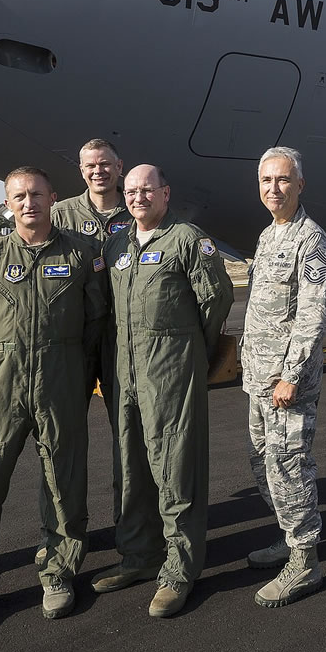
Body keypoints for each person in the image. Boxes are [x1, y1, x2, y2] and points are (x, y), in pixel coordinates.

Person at [0, 167, 107, 637]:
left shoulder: (81, 253)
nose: (28, 202)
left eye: (36, 194)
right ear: (7, 202)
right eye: (19, 196)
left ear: (53, 197)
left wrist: (72, 366)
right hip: (0, 384)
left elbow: (96, 319)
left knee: (63, 482)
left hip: (61, 380)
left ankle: (58, 573)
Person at [92, 164, 233, 618]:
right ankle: (140, 555)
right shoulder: (117, 244)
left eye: (146, 190)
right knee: (130, 466)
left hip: (171, 369)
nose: (137, 198)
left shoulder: (188, 239)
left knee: (175, 466)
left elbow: (216, 300)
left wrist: (191, 352)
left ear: (165, 194)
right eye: (130, 191)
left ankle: (179, 570)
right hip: (125, 373)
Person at [240, 147, 326, 608]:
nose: (272, 189)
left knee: (289, 464)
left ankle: (305, 561)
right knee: (262, 462)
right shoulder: (267, 235)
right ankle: (288, 536)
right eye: (265, 181)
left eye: (281, 180)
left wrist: (291, 374)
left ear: (300, 185)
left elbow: (313, 314)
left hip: (285, 383)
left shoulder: (309, 239)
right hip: (257, 378)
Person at [43, 137, 131, 567]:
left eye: (105, 164)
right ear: (80, 171)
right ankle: (64, 534)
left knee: (129, 438)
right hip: (73, 340)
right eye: (90, 165)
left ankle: (131, 528)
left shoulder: (136, 209)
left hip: (123, 339)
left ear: (119, 166)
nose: (98, 171)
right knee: (63, 440)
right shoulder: (61, 215)